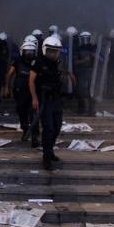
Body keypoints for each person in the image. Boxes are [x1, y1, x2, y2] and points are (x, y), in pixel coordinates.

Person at [29, 36, 64, 170]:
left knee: (57, 126)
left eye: (55, 51)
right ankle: (46, 156)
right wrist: (34, 98)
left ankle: (50, 151)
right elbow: (31, 81)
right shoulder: (38, 62)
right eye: (50, 51)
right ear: (45, 50)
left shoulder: (58, 62)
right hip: (44, 99)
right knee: (48, 128)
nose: (53, 54)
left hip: (56, 99)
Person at [6, 40, 36, 141]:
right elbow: (10, 74)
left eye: (31, 52)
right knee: (22, 112)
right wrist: (7, 87)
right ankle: (25, 131)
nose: (29, 54)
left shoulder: (37, 62)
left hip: (33, 92)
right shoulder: (18, 61)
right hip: (20, 91)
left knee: (33, 113)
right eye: (27, 51)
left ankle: (34, 134)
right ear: (22, 51)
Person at [75, 31, 97, 116]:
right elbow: (75, 61)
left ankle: (91, 110)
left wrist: (95, 56)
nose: (85, 40)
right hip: (81, 71)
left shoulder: (94, 47)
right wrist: (84, 61)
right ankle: (81, 108)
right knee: (80, 90)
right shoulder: (78, 48)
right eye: (83, 39)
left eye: (87, 38)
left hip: (92, 71)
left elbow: (101, 58)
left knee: (91, 91)